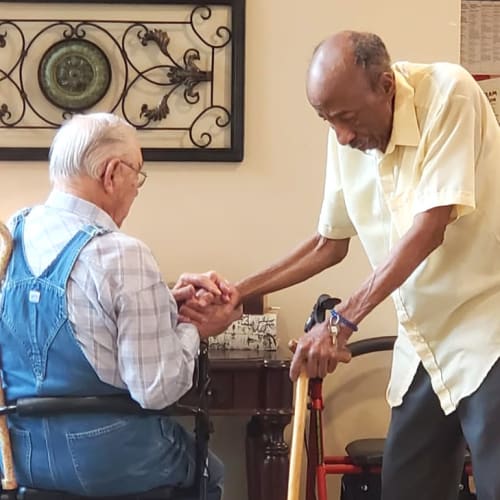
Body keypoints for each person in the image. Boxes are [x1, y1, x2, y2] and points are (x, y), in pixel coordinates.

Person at [235, 31, 500, 500]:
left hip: (488, 332)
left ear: (385, 86)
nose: (341, 135)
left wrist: (341, 322)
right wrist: (237, 294)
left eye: (347, 118)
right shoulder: (346, 136)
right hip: (425, 344)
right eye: (327, 119)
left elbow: (429, 228)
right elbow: (327, 243)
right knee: (405, 488)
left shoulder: (450, 93)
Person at [0, 112, 242, 499]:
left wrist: (163, 302)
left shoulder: (12, 234)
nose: (137, 187)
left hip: (22, 459)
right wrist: (195, 328)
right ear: (111, 174)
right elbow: (156, 389)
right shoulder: (121, 254)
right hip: (110, 462)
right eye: (137, 174)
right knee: (210, 471)